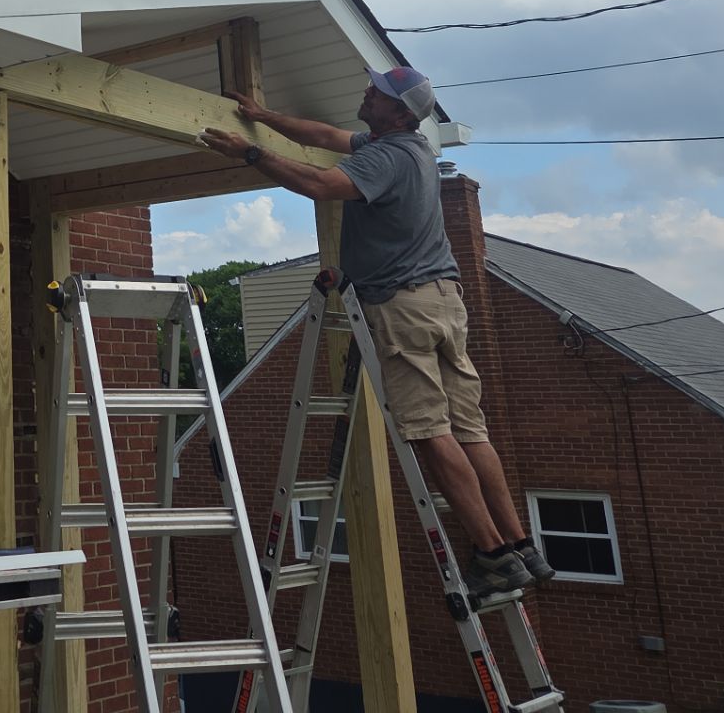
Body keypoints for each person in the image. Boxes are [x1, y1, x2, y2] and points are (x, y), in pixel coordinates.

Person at [198, 66, 554, 601]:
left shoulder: (384, 158)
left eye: (378, 93)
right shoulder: (408, 147)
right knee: (468, 429)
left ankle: (492, 554)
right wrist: (264, 117)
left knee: (428, 432)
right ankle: (521, 545)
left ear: (400, 112)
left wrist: (250, 152)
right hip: (442, 301)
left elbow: (321, 183)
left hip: (403, 306)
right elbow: (325, 137)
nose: (367, 92)